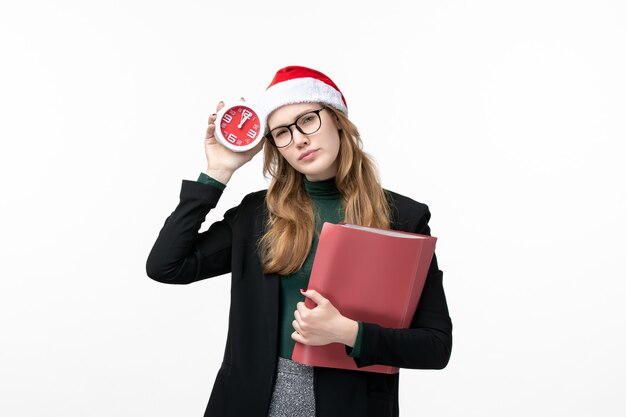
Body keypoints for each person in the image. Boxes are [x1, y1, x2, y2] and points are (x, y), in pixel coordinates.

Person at [146, 66, 452, 417]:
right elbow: (166, 266)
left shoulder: (403, 217)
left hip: (351, 406)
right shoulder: (258, 214)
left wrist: (349, 332)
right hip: (249, 404)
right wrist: (218, 172)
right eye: (281, 133)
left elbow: (435, 346)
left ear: (337, 119)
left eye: (307, 120)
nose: (299, 139)